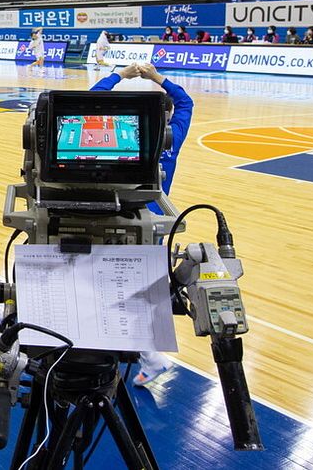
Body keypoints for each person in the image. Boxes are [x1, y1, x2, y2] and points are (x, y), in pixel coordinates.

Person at [91, 62, 193, 386]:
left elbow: (95, 98)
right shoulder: (172, 136)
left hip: (124, 222)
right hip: (155, 225)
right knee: (138, 293)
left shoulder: (129, 138)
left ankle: (147, 356)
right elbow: (187, 102)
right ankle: (149, 356)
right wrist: (156, 77)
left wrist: (121, 76)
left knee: (116, 293)